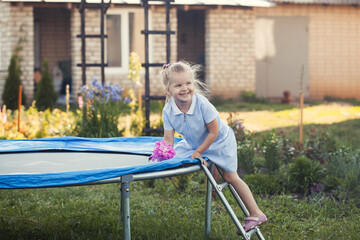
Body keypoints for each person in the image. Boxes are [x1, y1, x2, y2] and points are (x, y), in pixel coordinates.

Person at [161, 61, 267, 233]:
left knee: (231, 177)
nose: (185, 88)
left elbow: (214, 132)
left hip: (220, 141)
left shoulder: (202, 104)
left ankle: (256, 213)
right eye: (178, 85)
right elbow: (168, 138)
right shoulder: (168, 110)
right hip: (196, 143)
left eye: (188, 83)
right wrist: (164, 153)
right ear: (168, 90)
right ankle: (213, 187)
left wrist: (198, 152)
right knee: (177, 155)